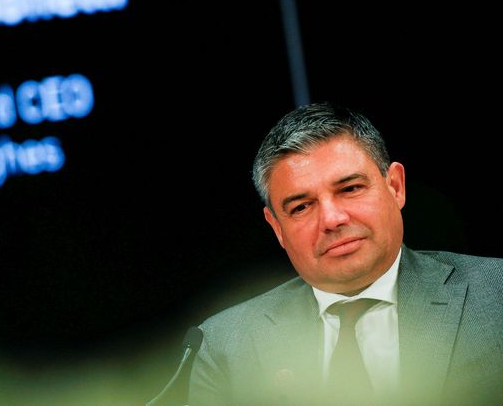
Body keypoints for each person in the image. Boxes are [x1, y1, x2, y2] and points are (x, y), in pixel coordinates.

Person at [188, 103, 502, 405]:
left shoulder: (495, 293)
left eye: (350, 188)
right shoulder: (224, 344)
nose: (331, 219)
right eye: (301, 207)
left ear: (395, 186)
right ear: (277, 229)